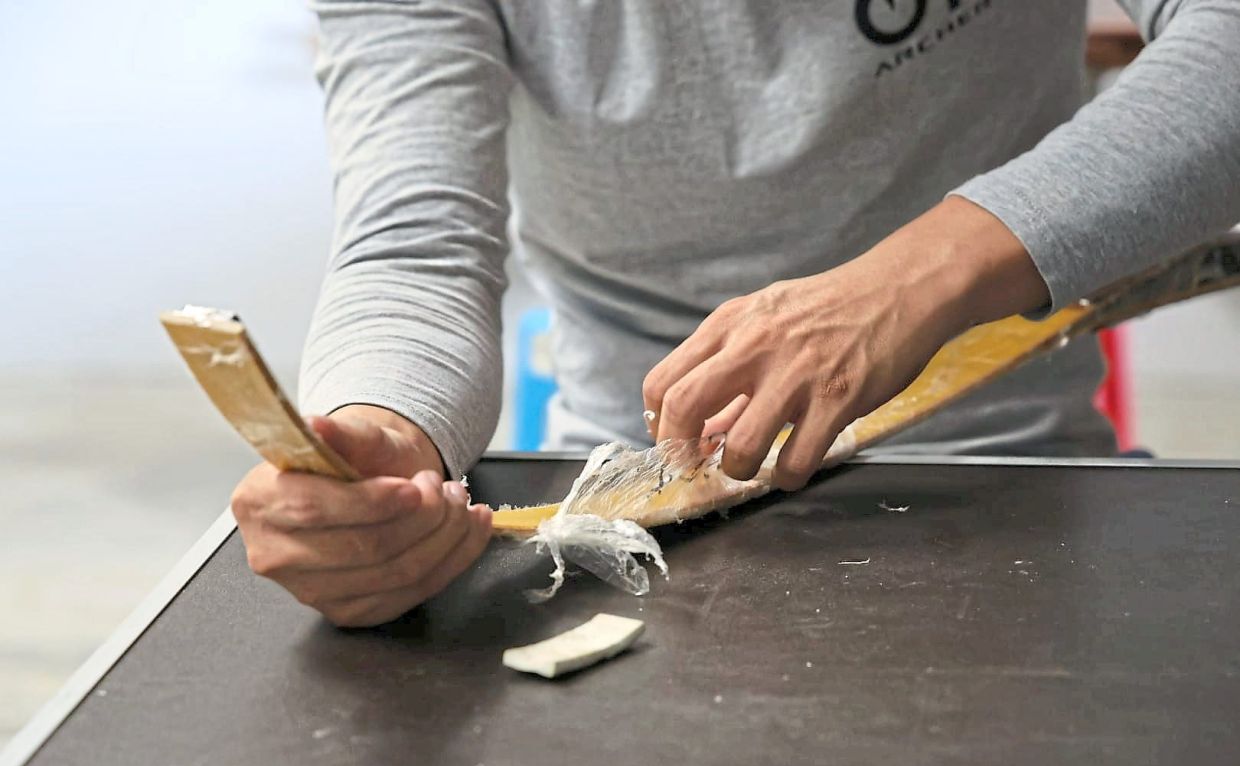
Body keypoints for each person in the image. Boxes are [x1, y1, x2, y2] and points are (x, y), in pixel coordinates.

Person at [231, 1, 1240, 627]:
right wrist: (378, 442)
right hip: (641, 513)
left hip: (1009, 472)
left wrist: (912, 279)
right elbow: (417, 243)